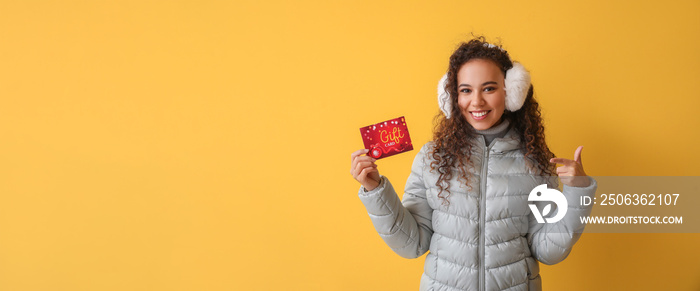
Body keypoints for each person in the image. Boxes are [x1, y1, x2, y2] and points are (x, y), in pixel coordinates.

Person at [349, 37, 597, 291]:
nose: (476, 101)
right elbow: (413, 243)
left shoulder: (535, 161)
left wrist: (578, 195)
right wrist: (375, 190)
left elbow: (548, 251)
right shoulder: (432, 158)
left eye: (489, 88)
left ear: (511, 92)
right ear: (452, 96)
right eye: (466, 90)